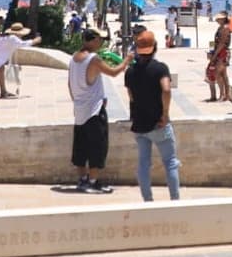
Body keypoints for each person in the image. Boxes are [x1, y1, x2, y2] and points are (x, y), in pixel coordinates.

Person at [68, 28, 132, 193]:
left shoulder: (74, 58)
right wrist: (127, 60)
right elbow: (113, 72)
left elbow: (70, 84)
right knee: (98, 147)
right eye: (100, 40)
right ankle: (93, 181)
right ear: (93, 40)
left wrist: (78, 101)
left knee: (81, 147)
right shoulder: (93, 59)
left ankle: (82, 180)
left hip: (80, 109)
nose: (102, 43)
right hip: (94, 111)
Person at [124, 31, 179, 201]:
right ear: (154, 47)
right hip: (158, 123)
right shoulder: (160, 68)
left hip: (139, 124)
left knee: (143, 164)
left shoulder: (130, 71)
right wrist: (165, 114)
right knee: (170, 162)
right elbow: (166, 89)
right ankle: (175, 201)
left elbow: (131, 96)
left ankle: (148, 200)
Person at [0, 22, 40, 98]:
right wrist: (36, 40)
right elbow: (23, 44)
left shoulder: (8, 37)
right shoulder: (13, 38)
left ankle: (3, 91)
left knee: (0, 70)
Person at [205, 11, 231, 103]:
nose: (217, 20)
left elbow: (222, 43)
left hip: (222, 52)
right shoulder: (221, 27)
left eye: (219, 18)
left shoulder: (225, 28)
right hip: (220, 52)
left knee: (218, 74)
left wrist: (215, 55)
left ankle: (222, 95)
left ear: (223, 19)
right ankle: (225, 95)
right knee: (223, 74)